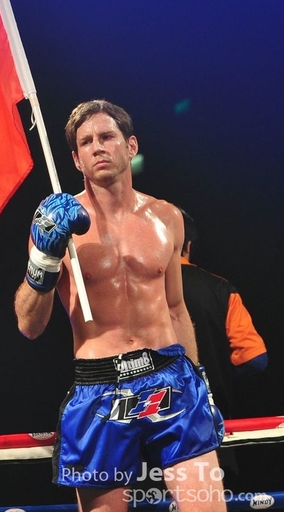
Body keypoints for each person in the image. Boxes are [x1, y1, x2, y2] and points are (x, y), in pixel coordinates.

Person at [14, 99, 227, 512]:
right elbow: (29, 325)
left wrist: (199, 380)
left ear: (131, 146)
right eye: (86, 142)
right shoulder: (57, 226)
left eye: (107, 136)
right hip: (99, 388)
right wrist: (43, 259)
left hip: (171, 379)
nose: (97, 146)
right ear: (76, 160)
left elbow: (176, 309)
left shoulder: (167, 217)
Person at [179, 208, 268, 488]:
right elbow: (255, 359)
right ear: (189, 245)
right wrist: (219, 369)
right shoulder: (220, 289)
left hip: (146, 434)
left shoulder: (134, 292)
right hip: (210, 430)